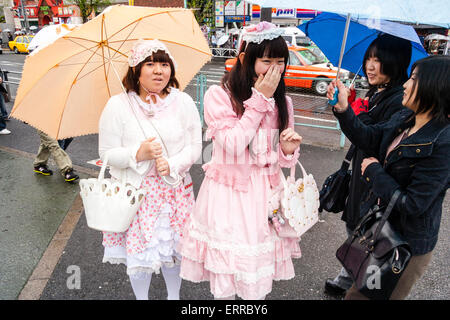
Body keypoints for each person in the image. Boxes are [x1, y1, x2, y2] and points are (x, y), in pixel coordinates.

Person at [178, 22, 303, 300]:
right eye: (266, 60)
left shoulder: (285, 103)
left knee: (255, 274)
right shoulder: (219, 95)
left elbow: (281, 160)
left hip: (266, 195)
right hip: (230, 194)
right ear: (246, 59)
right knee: (227, 271)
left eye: (280, 62)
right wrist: (259, 100)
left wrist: (286, 149)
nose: (274, 69)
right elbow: (233, 144)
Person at [328, 55, 450, 300]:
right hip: (379, 228)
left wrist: (374, 173)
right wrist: (343, 109)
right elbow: (370, 137)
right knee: (357, 293)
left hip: (404, 246)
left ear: (435, 86)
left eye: (414, 79)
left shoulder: (444, 142)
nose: (405, 84)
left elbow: (414, 204)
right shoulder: (406, 118)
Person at [98, 40, 202, 300]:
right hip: (136, 195)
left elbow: (194, 146)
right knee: (140, 255)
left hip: (175, 191)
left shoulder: (184, 102)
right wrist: (137, 154)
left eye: (164, 64)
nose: (159, 70)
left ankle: (174, 297)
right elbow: (106, 154)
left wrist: (174, 164)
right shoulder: (118, 105)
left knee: (173, 251)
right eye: (150, 63)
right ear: (136, 69)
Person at [324, 34, 412, 297]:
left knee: (365, 232)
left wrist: (347, 110)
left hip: (375, 177)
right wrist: (346, 105)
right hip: (362, 174)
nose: (370, 66)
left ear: (396, 63)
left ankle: (353, 282)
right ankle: (348, 278)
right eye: (369, 59)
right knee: (358, 229)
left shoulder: (399, 99)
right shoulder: (379, 92)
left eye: (379, 60)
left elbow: (372, 138)